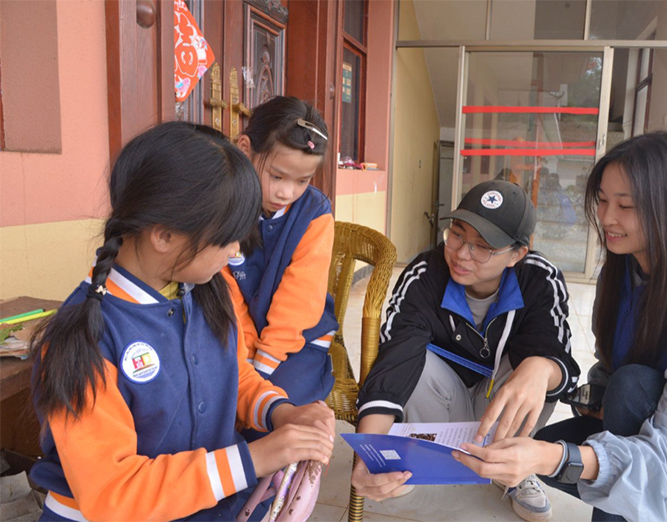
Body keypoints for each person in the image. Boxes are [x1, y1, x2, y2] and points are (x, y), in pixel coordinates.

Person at [453, 132, 667, 522]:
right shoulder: (622, 270)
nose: (606, 218)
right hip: (662, 422)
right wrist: (588, 400)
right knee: (551, 441)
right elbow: (611, 364)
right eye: (602, 200)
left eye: (626, 205)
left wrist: (559, 458)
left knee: (619, 399)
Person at [30, 122, 335, 521]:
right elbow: (113, 492)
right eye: (226, 238)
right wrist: (252, 458)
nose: (235, 250)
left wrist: (280, 411)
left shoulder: (204, 290)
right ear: (165, 235)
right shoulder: (85, 337)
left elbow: (232, 374)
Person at [352, 180, 580, 521]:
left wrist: (541, 368)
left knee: (539, 366)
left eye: (482, 246)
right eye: (457, 235)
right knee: (413, 357)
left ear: (517, 254)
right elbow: (394, 361)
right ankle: (418, 461)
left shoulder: (539, 279)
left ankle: (516, 468)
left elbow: (560, 358)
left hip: (500, 408)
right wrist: (370, 455)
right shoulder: (426, 274)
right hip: (445, 404)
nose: (461, 254)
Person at [226, 96, 338, 419]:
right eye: (277, 176)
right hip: (239, 336)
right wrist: (246, 357)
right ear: (246, 149)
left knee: (277, 410)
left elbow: (299, 304)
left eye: (302, 181)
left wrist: (260, 370)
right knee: (227, 407)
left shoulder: (315, 215)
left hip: (298, 340)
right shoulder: (224, 207)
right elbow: (227, 294)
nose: (287, 193)